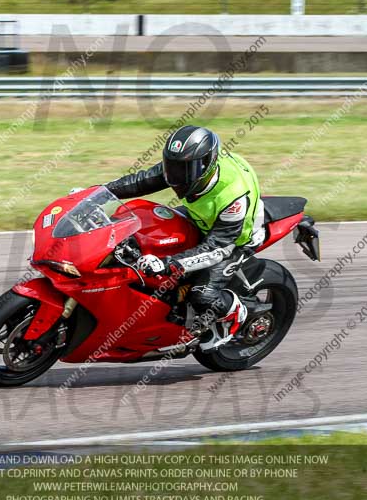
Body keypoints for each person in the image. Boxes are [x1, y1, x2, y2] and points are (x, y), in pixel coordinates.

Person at [105, 125, 264, 350]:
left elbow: (218, 248)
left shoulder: (233, 196)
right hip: (202, 219)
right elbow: (143, 180)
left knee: (202, 297)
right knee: (139, 234)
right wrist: (98, 193)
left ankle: (235, 312)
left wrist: (169, 264)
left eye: (184, 170)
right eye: (173, 167)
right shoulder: (188, 165)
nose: (176, 176)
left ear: (207, 165)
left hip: (234, 240)